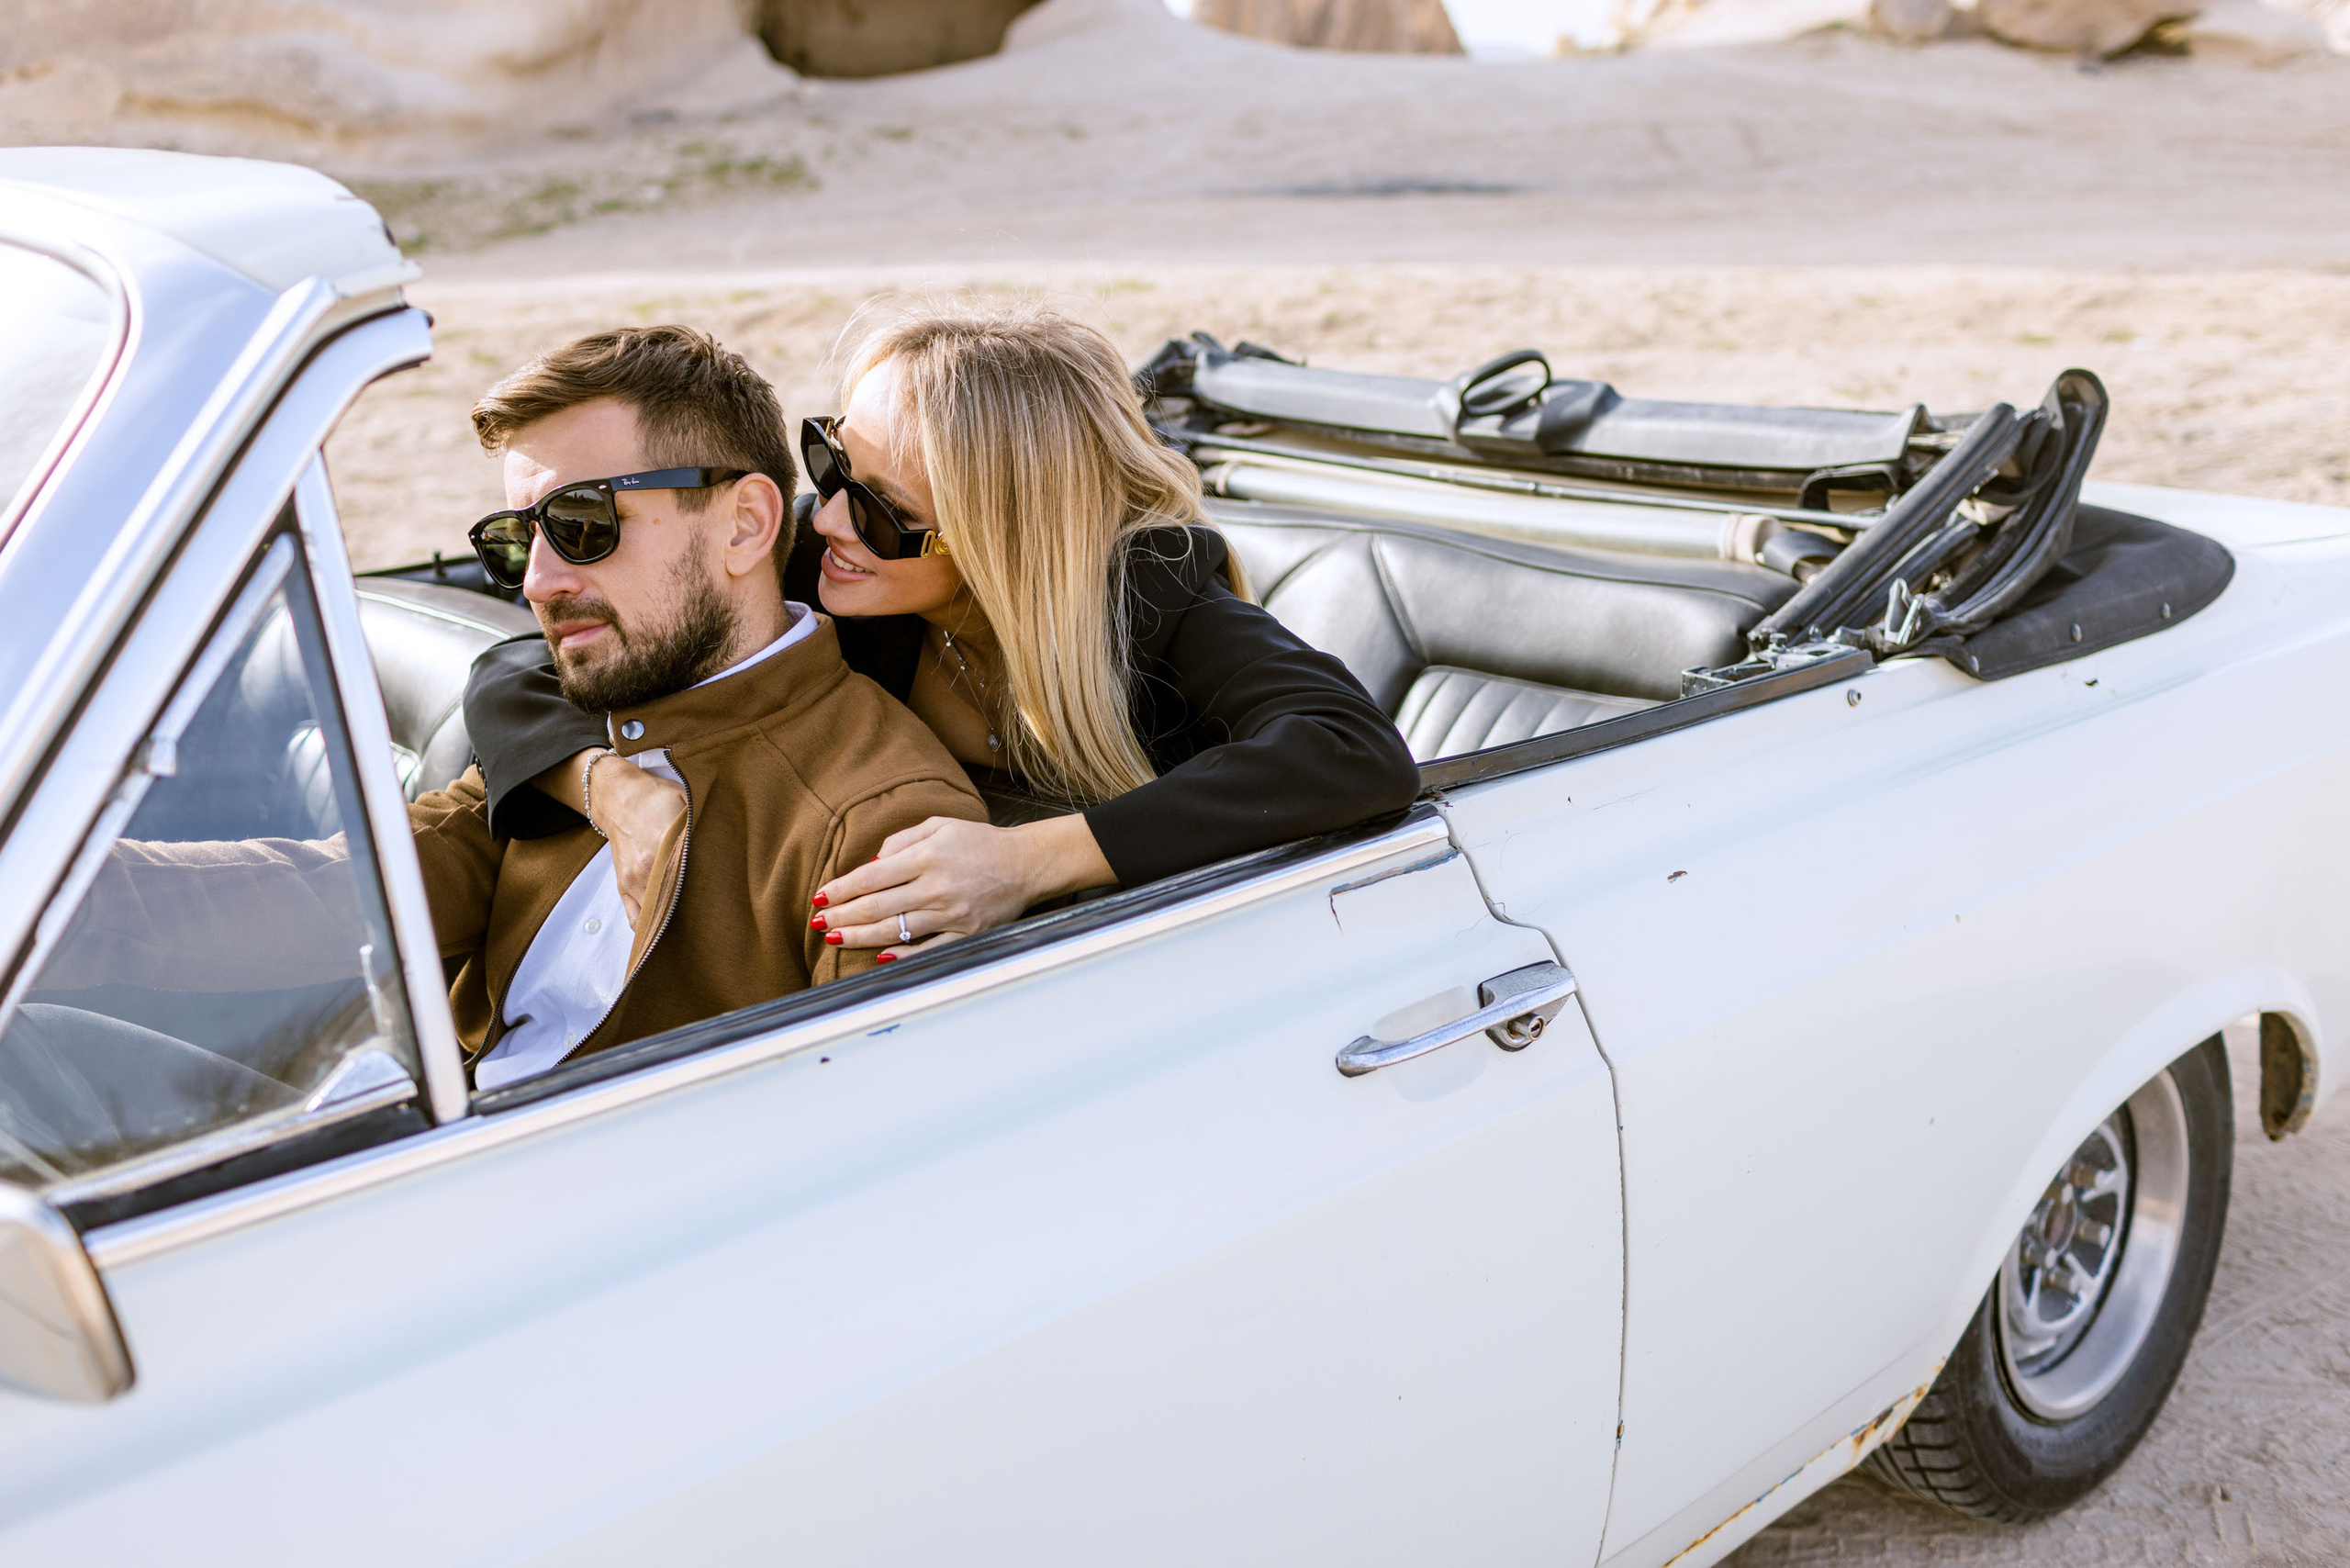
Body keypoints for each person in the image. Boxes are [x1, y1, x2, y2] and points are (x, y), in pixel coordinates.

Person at [19, 327, 986, 1127]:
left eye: (584, 523)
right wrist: (57, 894)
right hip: (404, 1118)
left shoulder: (878, 824)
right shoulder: (592, 718)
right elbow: (348, 891)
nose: (539, 583)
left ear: (743, 526)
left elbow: (859, 1147)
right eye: (519, 538)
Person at [463, 301, 1419, 959]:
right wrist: (603, 785)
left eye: (886, 510)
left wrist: (1028, 861)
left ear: (1002, 534)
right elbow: (519, 666)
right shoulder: (839, 563)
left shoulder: (1153, 598)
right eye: (831, 465)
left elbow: (1352, 751)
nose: (833, 519)